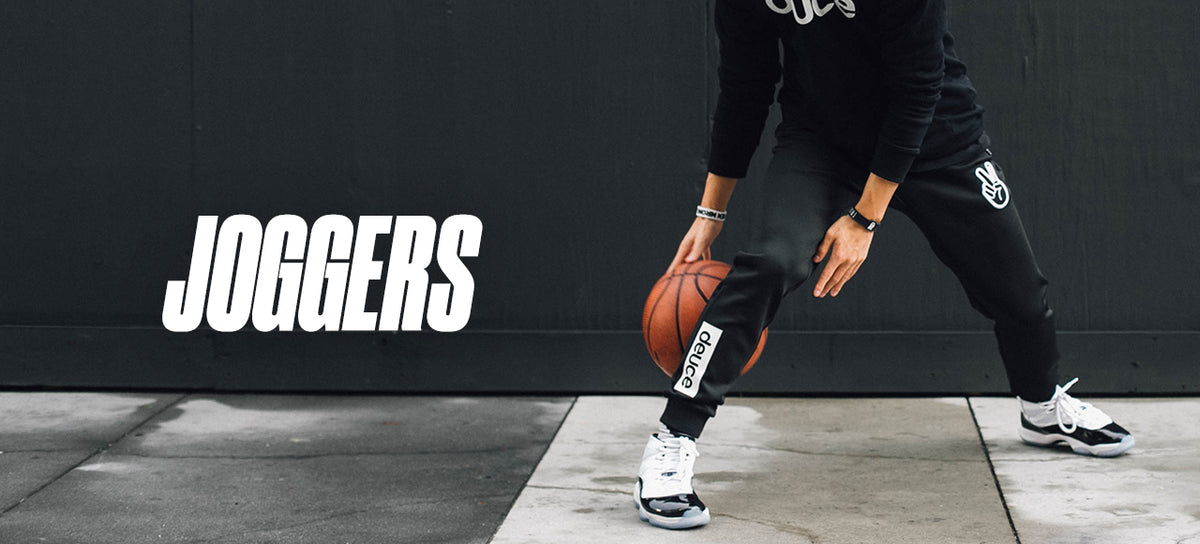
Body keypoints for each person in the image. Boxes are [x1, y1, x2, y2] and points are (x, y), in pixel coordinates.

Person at [634, 0, 1135, 530]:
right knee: (773, 263)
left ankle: (1042, 407)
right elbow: (746, 84)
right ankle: (674, 437)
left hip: (938, 142)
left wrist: (864, 218)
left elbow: (918, 88)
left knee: (1020, 294)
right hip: (823, 143)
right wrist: (710, 212)